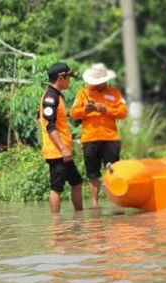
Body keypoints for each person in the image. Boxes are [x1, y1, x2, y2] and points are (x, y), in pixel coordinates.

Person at [71, 63, 128, 208]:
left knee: (113, 171)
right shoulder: (83, 93)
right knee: (92, 174)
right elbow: (73, 113)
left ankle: (118, 204)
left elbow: (123, 112)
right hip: (90, 138)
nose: (97, 85)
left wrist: (106, 109)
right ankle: (95, 204)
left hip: (111, 138)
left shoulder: (115, 93)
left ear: (106, 80)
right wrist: (86, 109)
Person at [38, 62, 83, 214]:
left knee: (76, 182)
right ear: (60, 78)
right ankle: (56, 223)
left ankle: (79, 216)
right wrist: (63, 149)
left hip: (63, 151)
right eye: (68, 77)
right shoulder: (50, 98)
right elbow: (50, 126)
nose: (70, 80)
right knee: (56, 188)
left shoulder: (57, 96)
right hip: (57, 151)